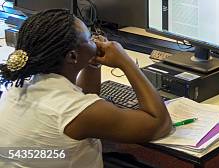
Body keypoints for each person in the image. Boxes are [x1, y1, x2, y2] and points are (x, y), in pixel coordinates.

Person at [0, 9, 171, 168]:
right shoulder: (77, 113)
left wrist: (91, 61)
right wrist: (125, 61)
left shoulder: (17, 86)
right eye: (89, 39)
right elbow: (159, 124)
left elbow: (82, 101)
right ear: (72, 56)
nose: (95, 42)